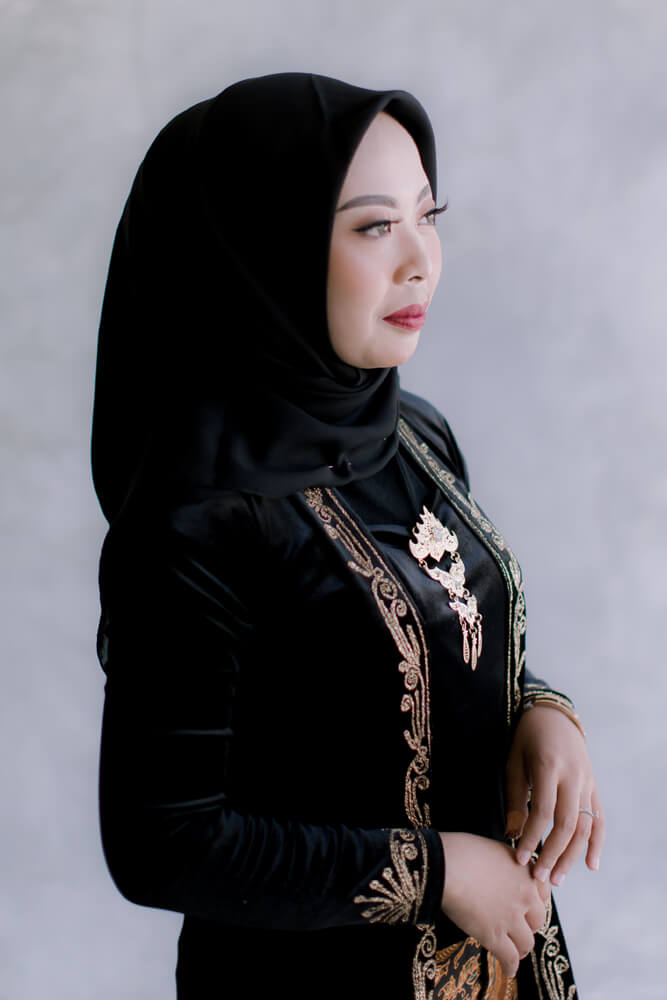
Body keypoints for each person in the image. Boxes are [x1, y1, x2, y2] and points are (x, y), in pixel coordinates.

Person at [91, 73, 604, 1000]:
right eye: (373, 227)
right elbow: (162, 844)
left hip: (493, 963)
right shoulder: (196, 523)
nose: (419, 261)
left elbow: (425, 640)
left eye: (427, 216)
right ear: (264, 249)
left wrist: (540, 710)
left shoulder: (412, 432)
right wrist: (438, 873)